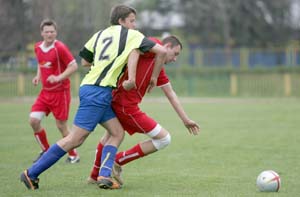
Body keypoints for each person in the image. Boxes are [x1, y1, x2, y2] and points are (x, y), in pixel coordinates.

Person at [20, 4, 167, 190]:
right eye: (131, 21)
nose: (134, 25)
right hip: (98, 91)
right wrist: (154, 76)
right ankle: (31, 173)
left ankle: (104, 176)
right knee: (74, 139)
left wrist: (105, 64)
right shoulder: (133, 36)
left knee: (117, 133)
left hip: (92, 88)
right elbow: (162, 52)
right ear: (121, 21)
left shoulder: (99, 34)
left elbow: (84, 61)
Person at [87, 35, 200, 186]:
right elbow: (134, 50)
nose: (175, 59)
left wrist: (185, 119)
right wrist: (131, 79)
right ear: (166, 46)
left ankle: (94, 176)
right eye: (175, 54)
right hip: (125, 106)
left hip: (118, 102)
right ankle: (118, 160)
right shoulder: (154, 44)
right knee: (164, 139)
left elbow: (171, 94)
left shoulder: (158, 69)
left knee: (109, 136)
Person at [29, 19, 80, 164]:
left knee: (61, 126)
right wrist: (38, 77)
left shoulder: (60, 48)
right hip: (45, 92)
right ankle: (45, 150)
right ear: (42, 33)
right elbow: (41, 63)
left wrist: (58, 77)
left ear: (56, 32)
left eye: (52, 31)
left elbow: (73, 66)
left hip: (61, 92)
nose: (50, 34)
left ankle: (74, 155)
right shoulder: (38, 47)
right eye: (47, 32)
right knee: (33, 121)